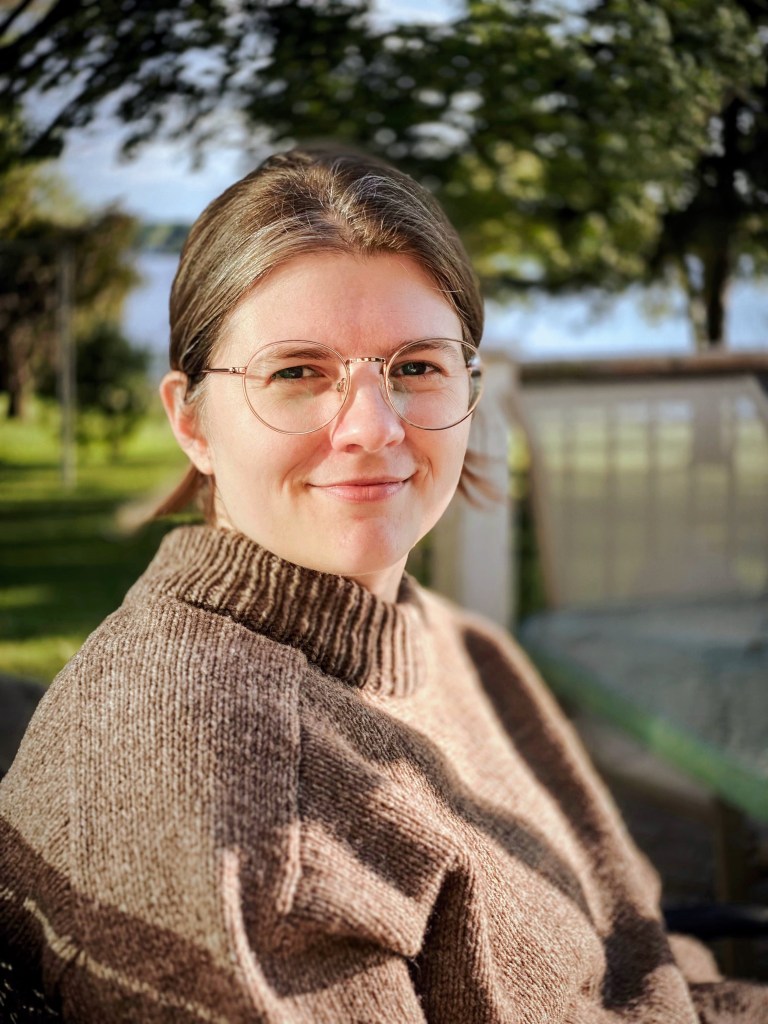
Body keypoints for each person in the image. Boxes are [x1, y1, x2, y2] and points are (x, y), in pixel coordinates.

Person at [0, 145, 765, 1024]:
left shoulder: (439, 636)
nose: (372, 426)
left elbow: (636, 938)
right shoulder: (241, 799)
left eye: (415, 367)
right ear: (190, 420)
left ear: (466, 390)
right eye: (296, 372)